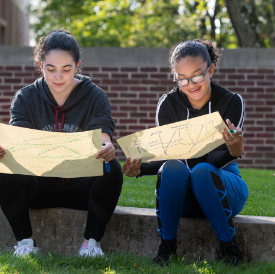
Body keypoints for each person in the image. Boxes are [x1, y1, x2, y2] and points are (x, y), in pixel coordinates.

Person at [122, 39, 248, 266]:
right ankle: (167, 246)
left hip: (224, 188)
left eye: (197, 75)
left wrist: (234, 151)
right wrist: (140, 168)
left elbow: (213, 160)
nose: (190, 84)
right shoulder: (168, 105)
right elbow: (168, 157)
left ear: (211, 69)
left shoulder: (231, 102)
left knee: (201, 171)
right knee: (171, 167)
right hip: (185, 196)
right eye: (182, 78)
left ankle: (230, 247)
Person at [0, 29, 123, 257]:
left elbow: (103, 139)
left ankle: (90, 245)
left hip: (80, 188)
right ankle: (26, 244)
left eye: (66, 69)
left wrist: (106, 148)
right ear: (40, 65)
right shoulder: (25, 98)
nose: (59, 77)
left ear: (77, 66)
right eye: (51, 69)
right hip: (39, 186)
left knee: (111, 167)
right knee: (3, 168)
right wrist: (6, 152)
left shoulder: (95, 96)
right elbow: (19, 143)